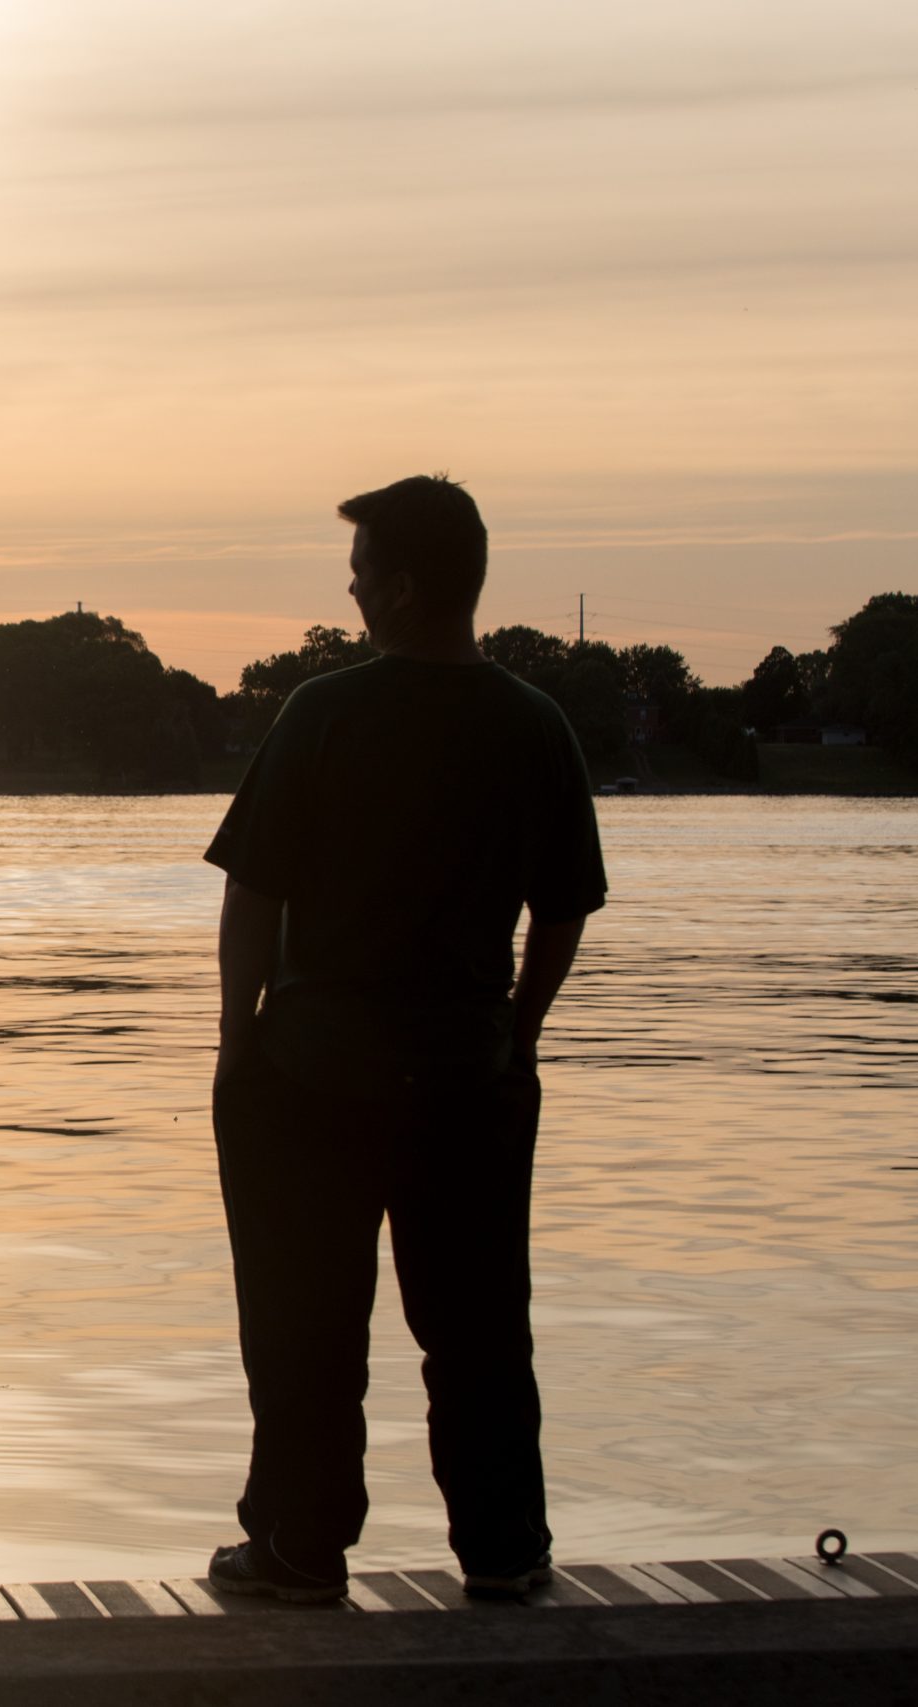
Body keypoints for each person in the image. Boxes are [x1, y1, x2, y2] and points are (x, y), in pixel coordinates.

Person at [203, 475, 605, 1604]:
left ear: (407, 586)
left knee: (302, 1326)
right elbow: (561, 911)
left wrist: (239, 1046)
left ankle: (297, 1546)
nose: (351, 586)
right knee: (478, 1328)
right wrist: (515, 1032)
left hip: (312, 1074)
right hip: (468, 1077)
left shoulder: (322, 714)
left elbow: (253, 898)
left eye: (363, 569)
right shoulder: (535, 727)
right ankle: (504, 1550)